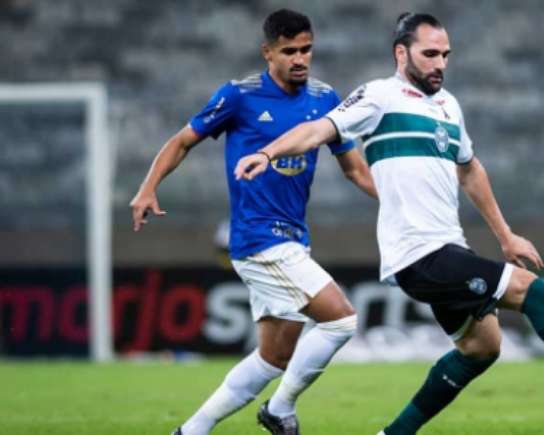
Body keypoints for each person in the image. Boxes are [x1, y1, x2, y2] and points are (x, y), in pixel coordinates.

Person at [233, 12, 544, 435]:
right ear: (401, 53)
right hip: (417, 254)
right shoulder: (377, 96)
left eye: (445, 54)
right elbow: (318, 130)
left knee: (482, 347)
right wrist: (268, 152)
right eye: (430, 54)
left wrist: (505, 236)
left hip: (448, 248)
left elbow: (470, 169)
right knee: (530, 290)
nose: (440, 63)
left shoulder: (448, 105)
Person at [130, 9, 376, 435]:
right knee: (341, 320)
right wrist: (148, 187)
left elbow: (355, 169)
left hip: (294, 240)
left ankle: (190, 431)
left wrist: (397, 200)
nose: (300, 58)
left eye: (306, 49)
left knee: (273, 358)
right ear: (268, 52)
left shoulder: (324, 98)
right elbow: (182, 140)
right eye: (289, 51)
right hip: (259, 239)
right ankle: (279, 411)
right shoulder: (239, 96)